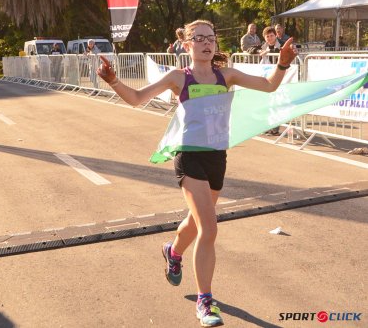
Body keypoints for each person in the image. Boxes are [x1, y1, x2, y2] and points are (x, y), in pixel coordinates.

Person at [96, 20, 297, 327]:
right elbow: (137, 99)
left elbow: (268, 86)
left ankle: (172, 251)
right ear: (187, 45)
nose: (206, 43)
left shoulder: (226, 75)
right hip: (188, 156)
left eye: (210, 39)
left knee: (196, 220)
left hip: (217, 157)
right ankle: (206, 302)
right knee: (209, 228)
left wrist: (282, 64)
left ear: (215, 44)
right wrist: (113, 81)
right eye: (199, 38)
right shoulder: (179, 76)